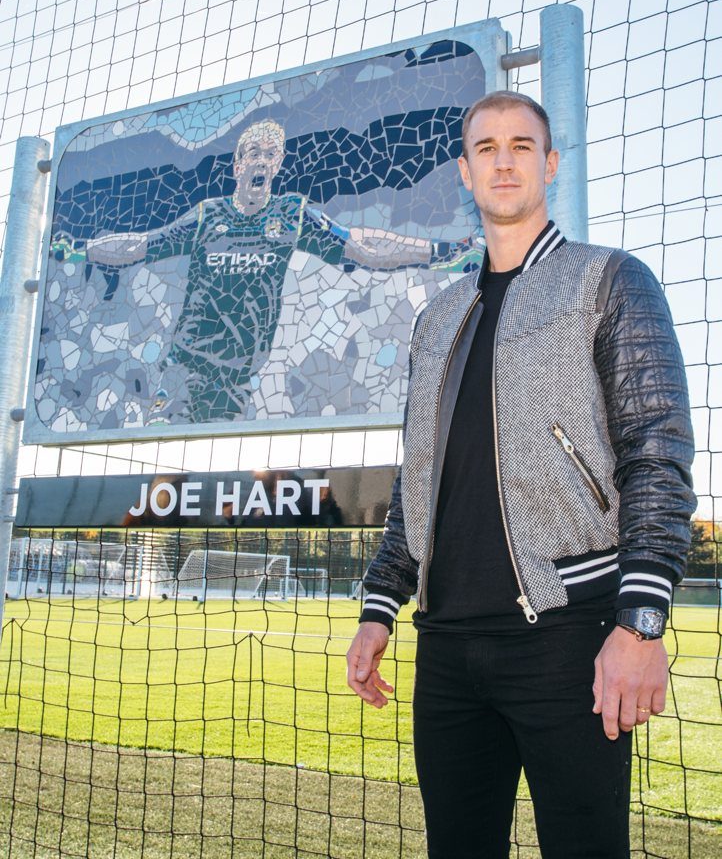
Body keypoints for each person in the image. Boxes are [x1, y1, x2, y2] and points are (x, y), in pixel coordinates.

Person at [345, 90, 695, 858]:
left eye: (522, 145)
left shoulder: (608, 282)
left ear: (551, 165)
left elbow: (657, 453)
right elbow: (421, 478)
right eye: (487, 148)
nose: (504, 160)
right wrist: (381, 604)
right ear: (465, 173)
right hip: (446, 649)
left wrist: (640, 622)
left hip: (568, 637)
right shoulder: (436, 318)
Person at [62, 119, 473, 424]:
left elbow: (363, 246)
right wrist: (82, 251)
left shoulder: (291, 216)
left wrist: (437, 251)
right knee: (160, 434)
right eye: (252, 153)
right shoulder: (209, 217)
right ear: (237, 165)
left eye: (269, 154)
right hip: (186, 367)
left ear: (277, 164)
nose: (261, 160)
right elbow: (140, 245)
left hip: (238, 378)